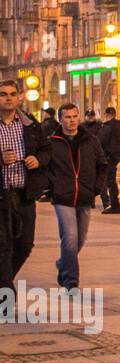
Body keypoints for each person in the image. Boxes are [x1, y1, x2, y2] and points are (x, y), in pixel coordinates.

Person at [47, 105, 108, 290]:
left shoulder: (90, 140)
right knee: (70, 237)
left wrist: (96, 188)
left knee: (80, 238)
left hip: (84, 195)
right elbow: (45, 167)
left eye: (74, 116)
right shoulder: (52, 141)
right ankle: (70, 280)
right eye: (67, 117)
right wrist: (53, 186)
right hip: (62, 196)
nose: (72, 120)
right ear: (60, 119)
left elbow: (102, 164)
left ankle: (63, 262)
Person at [0, 79, 50, 299]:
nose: (8, 98)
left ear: (19, 96)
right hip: (2, 194)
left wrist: (37, 159)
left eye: (12, 94)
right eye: (3, 94)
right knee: (4, 245)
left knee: (25, 244)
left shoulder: (30, 124)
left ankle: (3, 282)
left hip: (24, 193)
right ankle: (5, 296)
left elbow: (47, 150)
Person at [96, 107, 120, 214]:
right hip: (116, 156)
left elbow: (100, 141)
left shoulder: (107, 126)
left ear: (106, 114)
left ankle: (114, 205)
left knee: (109, 180)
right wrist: (119, 152)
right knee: (111, 179)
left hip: (107, 156)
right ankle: (115, 204)